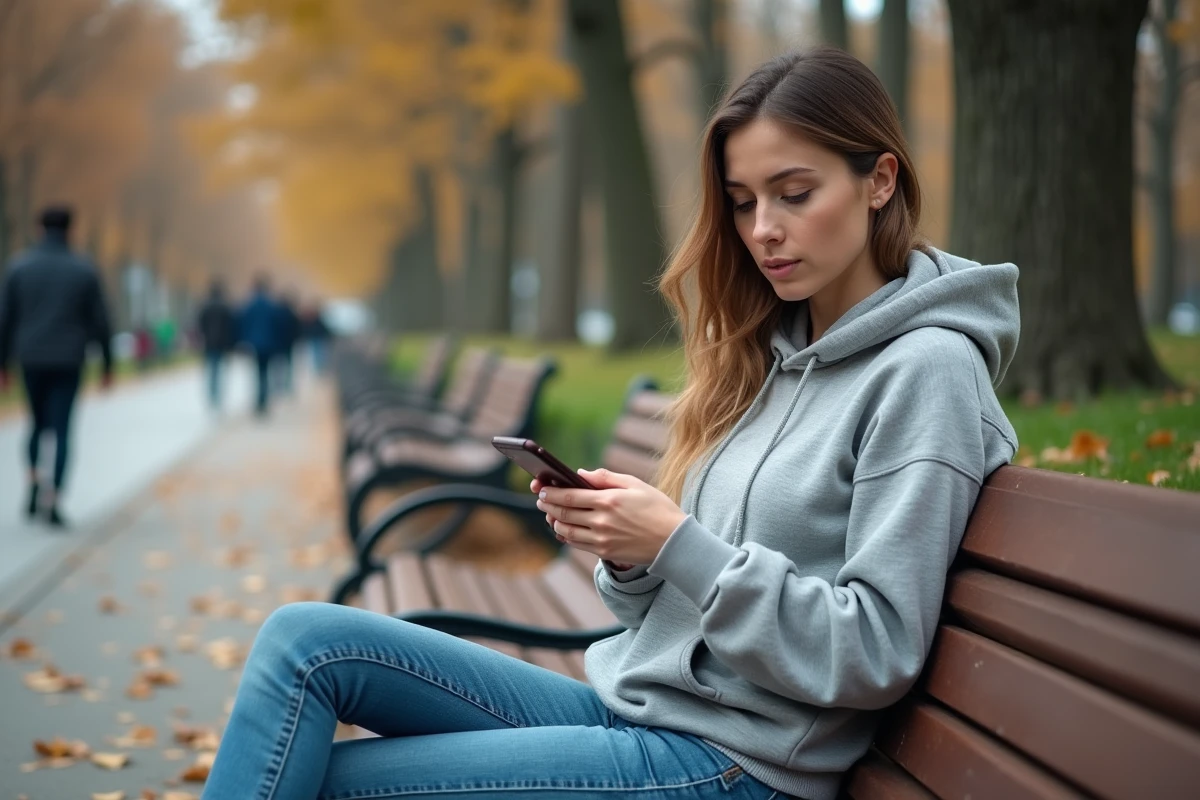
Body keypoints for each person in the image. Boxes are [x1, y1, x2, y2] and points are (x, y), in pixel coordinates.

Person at [202, 48, 1019, 800]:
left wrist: (676, 545)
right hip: (641, 706)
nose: (764, 228)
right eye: (742, 203)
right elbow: (667, 608)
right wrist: (628, 554)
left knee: (326, 785)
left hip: (735, 764)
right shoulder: (771, 355)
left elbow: (874, 650)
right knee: (301, 644)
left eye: (794, 194)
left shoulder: (926, 372)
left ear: (879, 181)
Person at [0, 205, 114, 527]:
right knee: (63, 429)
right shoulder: (84, 269)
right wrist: (107, 364)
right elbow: (101, 321)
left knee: (36, 424)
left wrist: (3, 364)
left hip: (30, 357)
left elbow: (5, 319)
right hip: (68, 358)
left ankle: (35, 480)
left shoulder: (19, 268)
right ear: (71, 230)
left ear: (39, 229)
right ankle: (54, 498)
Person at [239, 275, 281, 418]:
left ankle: (259, 401)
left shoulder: (250, 305)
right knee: (265, 373)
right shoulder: (271, 305)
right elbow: (276, 326)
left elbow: (244, 324)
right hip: (269, 344)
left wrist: (244, 341)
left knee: (257, 373)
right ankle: (264, 401)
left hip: (255, 344)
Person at [196, 279, 238, 410]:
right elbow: (232, 326)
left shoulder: (205, 306)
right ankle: (218, 395)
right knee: (220, 370)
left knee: (212, 370)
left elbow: (200, 325)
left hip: (209, 343)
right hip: (223, 344)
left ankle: (212, 395)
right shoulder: (226, 306)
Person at [271, 291, 301, 397]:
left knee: (277, 365)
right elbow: (296, 328)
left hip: (277, 343)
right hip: (288, 343)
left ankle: (277, 386)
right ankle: (287, 386)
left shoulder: (275, 313)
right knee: (288, 365)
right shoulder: (290, 313)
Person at [300, 301, 332, 376]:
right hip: (315, 338)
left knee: (318, 354)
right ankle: (318, 368)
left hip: (317, 338)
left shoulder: (316, 320)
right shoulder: (313, 320)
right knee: (317, 354)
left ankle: (319, 368)